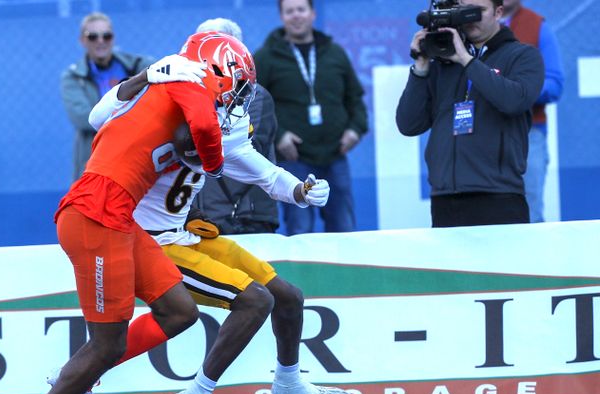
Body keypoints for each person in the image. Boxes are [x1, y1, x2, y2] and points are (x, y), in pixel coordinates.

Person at [64, 18, 353, 394]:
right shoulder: (163, 95)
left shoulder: (225, 118)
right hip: (149, 240)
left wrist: (299, 191)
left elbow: (259, 169)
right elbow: (97, 115)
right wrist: (144, 77)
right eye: (235, 82)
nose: (240, 96)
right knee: (250, 301)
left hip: (187, 233)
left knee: (287, 297)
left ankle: (289, 380)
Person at [1, 32, 236, 394]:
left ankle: (79, 380)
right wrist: (216, 162)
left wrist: (145, 78)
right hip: (99, 212)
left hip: (117, 212)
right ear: (222, 67)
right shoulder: (190, 78)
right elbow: (203, 129)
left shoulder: (165, 82)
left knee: (179, 310)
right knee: (106, 343)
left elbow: (102, 117)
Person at [396, 0, 544, 228]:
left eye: (477, 11)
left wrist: (466, 59)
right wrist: (422, 66)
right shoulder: (443, 63)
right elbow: (408, 124)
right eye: (464, 11)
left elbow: (514, 101)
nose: (470, 18)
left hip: (499, 196)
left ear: (498, 12)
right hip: (445, 198)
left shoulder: (523, 55)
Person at [254, 0, 368, 235]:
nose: (296, 16)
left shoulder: (335, 53)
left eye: (301, 9)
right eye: (289, 11)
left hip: (335, 156)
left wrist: (355, 129)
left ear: (312, 14)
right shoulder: (266, 57)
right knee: (300, 230)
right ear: (282, 17)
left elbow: (355, 98)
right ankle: (301, 273)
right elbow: (255, 105)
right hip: (294, 160)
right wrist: (280, 136)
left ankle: (344, 273)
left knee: (344, 228)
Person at [192, 18, 281, 235]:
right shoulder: (191, 96)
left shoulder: (256, 96)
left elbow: (250, 151)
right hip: (204, 217)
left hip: (246, 216)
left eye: (214, 46)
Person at [61, 12, 154, 182]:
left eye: (106, 35)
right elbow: (83, 117)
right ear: (82, 40)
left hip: (137, 155)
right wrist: (132, 118)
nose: (101, 41)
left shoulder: (138, 66)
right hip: (95, 158)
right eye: (93, 36)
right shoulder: (73, 76)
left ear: (113, 38)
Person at [502, 0, 564, 223]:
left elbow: (555, 85)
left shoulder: (537, 26)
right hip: (479, 134)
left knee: (529, 214)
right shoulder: (469, 25)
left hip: (528, 135)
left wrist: (512, 89)